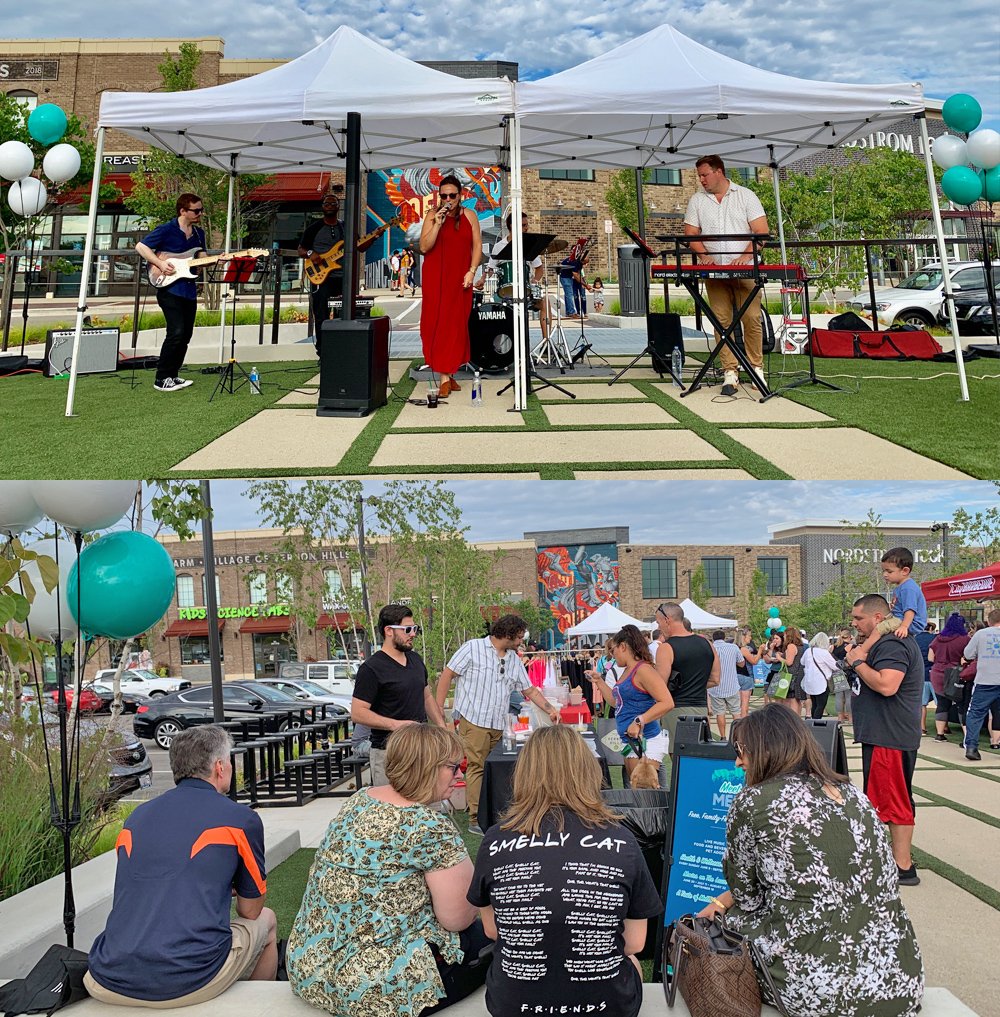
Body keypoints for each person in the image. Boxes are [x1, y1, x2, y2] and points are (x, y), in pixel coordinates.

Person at [697, 704, 923, 1017]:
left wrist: (720, 906)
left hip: (816, 988)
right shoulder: (852, 793)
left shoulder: (753, 801)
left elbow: (747, 899)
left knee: (718, 927)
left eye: (741, 750)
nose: (738, 761)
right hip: (899, 979)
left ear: (765, 749)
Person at [287, 724, 489, 1017]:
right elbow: (457, 917)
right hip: (376, 989)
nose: (460, 774)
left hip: (310, 968)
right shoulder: (428, 825)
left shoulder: (358, 800)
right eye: (453, 766)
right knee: (491, 932)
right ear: (427, 768)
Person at [468, 726, 662, 1017]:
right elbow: (635, 942)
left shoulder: (495, 840)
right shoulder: (622, 840)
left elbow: (492, 929)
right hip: (608, 1006)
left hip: (512, 1005)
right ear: (587, 771)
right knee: (631, 961)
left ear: (524, 773)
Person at [86, 726, 277, 1006]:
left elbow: (146, 883)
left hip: (106, 976)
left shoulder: (136, 819)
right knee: (268, 921)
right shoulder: (240, 819)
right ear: (220, 767)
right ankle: (255, 1008)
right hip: (187, 979)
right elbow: (250, 910)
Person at [436, 615, 559, 835]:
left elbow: (528, 689)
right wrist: (439, 712)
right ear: (508, 634)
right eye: (519, 637)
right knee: (476, 766)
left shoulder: (513, 659)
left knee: (496, 766)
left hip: (500, 723)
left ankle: (494, 811)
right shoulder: (472, 648)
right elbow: (447, 675)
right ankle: (475, 817)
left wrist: (549, 709)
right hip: (473, 719)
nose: (522, 641)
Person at [845, 594, 925, 885]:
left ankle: (902, 865)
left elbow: (887, 685)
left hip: (889, 735)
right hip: (886, 734)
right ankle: (894, 859)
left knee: (894, 802)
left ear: (878, 618)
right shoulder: (884, 643)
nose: (854, 623)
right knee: (886, 800)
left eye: (858, 618)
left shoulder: (892, 644)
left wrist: (857, 663)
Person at [683, 154, 769, 397]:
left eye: (704, 174)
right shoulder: (697, 200)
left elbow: (761, 232)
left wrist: (745, 256)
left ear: (719, 171)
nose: (701, 180)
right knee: (721, 321)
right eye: (699, 175)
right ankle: (729, 372)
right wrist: (703, 255)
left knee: (752, 318)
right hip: (715, 271)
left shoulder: (746, 195)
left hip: (745, 269)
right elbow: (690, 234)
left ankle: (756, 368)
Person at [352, 604, 446, 787]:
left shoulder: (416, 660)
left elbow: (426, 696)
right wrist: (397, 725)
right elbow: (357, 713)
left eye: (415, 629)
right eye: (408, 629)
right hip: (388, 753)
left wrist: (442, 726)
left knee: (426, 807)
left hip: (421, 749)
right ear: (389, 631)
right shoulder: (371, 668)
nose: (413, 634)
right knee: (392, 810)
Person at [135, 192, 208, 393]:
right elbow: (141, 247)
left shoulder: (199, 233)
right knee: (175, 332)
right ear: (183, 210)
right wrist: (159, 263)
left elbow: (201, 254)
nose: (200, 213)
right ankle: (161, 378)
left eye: (201, 210)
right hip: (169, 289)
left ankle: (173, 375)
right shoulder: (166, 230)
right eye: (196, 210)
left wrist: (206, 260)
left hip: (189, 290)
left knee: (185, 334)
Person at [583, 625, 674, 784]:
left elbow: (667, 702)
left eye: (613, 651)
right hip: (632, 741)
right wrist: (599, 681)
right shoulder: (628, 670)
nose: (612, 655)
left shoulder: (643, 670)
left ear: (623, 647)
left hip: (646, 741)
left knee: (644, 794)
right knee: (637, 791)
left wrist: (639, 721)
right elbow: (615, 702)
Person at [419, 175, 482, 398]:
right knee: (437, 323)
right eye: (444, 195)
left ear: (460, 195)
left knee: (456, 325)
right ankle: (444, 377)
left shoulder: (470, 216)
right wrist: (437, 223)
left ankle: (450, 371)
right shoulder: (431, 215)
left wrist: (472, 271)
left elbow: (477, 247)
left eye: (452, 195)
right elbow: (425, 247)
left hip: (460, 278)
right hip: (436, 277)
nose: (448, 199)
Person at [652, 602, 719, 743]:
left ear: (667, 620)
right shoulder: (708, 644)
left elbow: (659, 686)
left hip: (676, 710)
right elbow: (715, 679)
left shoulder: (666, 648)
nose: (659, 627)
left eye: (658, 623)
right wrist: (693, 684)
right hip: (701, 710)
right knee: (697, 757)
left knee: (679, 759)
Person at [855, 547, 928, 662]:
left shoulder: (908, 588)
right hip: (899, 619)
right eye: (883, 571)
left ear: (905, 571)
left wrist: (904, 626)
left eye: (889, 571)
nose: (885, 574)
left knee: (879, 628)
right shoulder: (901, 587)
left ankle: (861, 652)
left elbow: (910, 610)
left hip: (909, 622)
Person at [960, 609, 1000, 760]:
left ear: (989, 621)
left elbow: (968, 654)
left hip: (985, 680)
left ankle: (971, 747)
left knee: (975, 713)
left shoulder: (981, 634)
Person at [928, 612, 971, 742]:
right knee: (961, 704)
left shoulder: (938, 638)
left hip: (938, 673)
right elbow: (969, 656)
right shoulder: (965, 639)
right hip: (957, 673)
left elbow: (930, 658)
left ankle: (940, 734)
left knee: (942, 704)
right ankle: (967, 735)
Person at [709, 630, 743, 739]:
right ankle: (738, 736)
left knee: (720, 713)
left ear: (713, 638)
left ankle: (723, 736)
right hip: (732, 685)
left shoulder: (710, 648)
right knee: (736, 712)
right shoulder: (733, 647)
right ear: (724, 637)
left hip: (715, 687)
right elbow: (741, 663)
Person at [801, 632, 837, 720]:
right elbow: (835, 666)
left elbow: (802, 662)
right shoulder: (824, 653)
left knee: (815, 704)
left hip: (810, 681)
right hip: (822, 682)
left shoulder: (808, 651)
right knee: (821, 705)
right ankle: (816, 723)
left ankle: (813, 722)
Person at [914, 620, 937, 736]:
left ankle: (922, 727)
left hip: (920, 674)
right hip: (934, 674)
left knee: (922, 704)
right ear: (931, 629)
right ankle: (942, 729)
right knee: (940, 704)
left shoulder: (915, 639)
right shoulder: (935, 639)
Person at [779, 627, 807, 716]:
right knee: (797, 699)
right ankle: (797, 718)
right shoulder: (801, 647)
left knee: (792, 699)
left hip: (792, 675)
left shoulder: (791, 646)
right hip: (800, 674)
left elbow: (789, 662)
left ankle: (793, 718)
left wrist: (779, 658)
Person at [735, 626, 760, 718]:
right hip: (745, 676)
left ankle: (738, 721)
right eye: (749, 636)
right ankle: (743, 721)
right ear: (744, 637)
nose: (751, 638)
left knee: (738, 703)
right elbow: (754, 661)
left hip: (736, 676)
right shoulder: (744, 649)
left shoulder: (735, 648)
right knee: (745, 703)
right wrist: (760, 651)